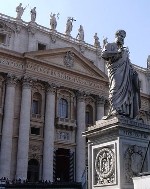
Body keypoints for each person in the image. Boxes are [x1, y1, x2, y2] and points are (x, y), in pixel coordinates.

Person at [101, 30, 141, 119]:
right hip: (115, 71)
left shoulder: (125, 51)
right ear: (116, 36)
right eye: (121, 36)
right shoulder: (110, 45)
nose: (122, 39)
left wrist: (134, 73)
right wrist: (117, 53)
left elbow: (129, 64)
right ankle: (115, 109)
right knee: (115, 89)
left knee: (126, 94)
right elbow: (104, 54)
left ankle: (123, 111)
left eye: (123, 37)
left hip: (126, 75)